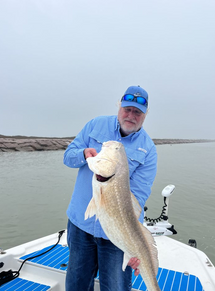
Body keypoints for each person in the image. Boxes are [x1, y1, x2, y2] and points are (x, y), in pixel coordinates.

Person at [63, 85, 157, 291]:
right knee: (76, 285)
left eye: (137, 112)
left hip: (116, 236)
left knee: (116, 288)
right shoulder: (95, 125)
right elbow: (68, 157)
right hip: (81, 224)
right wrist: (83, 154)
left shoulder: (148, 150)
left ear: (145, 115)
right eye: (127, 109)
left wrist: (135, 248)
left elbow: (138, 199)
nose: (131, 115)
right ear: (119, 107)